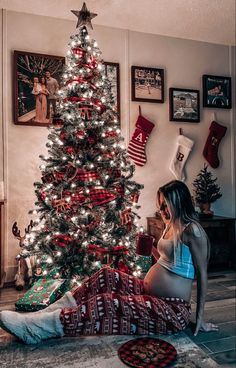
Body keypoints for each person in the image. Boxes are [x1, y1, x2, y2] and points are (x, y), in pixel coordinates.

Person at [0, 180, 218, 344]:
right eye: (160, 206)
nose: (162, 211)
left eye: (166, 206)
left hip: (172, 309)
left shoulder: (193, 231)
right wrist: (147, 247)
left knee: (107, 302)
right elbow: (167, 261)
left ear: (179, 202)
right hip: (151, 293)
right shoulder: (171, 224)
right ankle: (42, 316)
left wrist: (199, 320)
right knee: (106, 275)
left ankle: (37, 329)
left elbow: (203, 275)